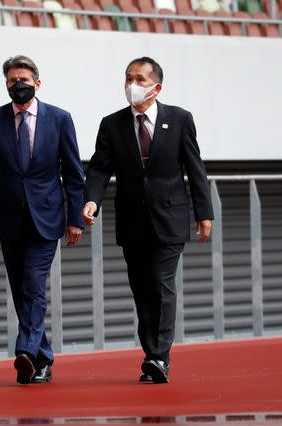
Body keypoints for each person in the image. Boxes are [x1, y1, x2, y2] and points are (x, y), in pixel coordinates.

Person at [83, 56, 213, 384]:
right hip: (131, 221)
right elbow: (100, 168)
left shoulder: (180, 120)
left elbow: (194, 166)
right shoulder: (111, 124)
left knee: (162, 283)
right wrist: (91, 201)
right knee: (142, 289)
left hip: (170, 218)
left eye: (139, 79)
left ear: (156, 87)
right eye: (128, 78)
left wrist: (204, 212)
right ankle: (151, 352)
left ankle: (159, 356)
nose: (132, 86)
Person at [0, 55, 85, 385]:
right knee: (21, 290)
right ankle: (42, 359)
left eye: (24, 80)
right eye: (12, 81)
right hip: (9, 218)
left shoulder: (60, 119)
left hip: (47, 216)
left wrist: (76, 219)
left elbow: (74, 173)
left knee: (33, 283)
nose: (18, 85)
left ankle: (25, 351)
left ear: (37, 83)